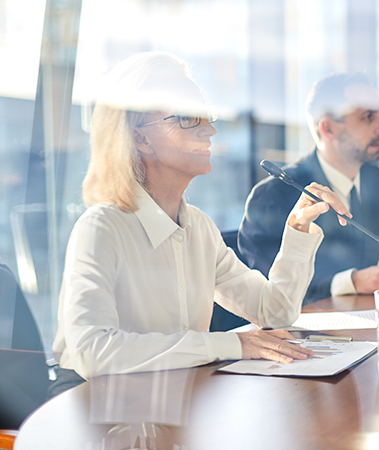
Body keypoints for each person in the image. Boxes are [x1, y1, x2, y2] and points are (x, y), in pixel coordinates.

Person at [51, 52, 351, 395]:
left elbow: (275, 312)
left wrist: (297, 228)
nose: (210, 129)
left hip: (170, 398)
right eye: (188, 119)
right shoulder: (101, 228)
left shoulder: (199, 228)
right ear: (140, 138)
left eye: (207, 116)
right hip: (90, 408)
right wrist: (227, 345)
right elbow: (92, 352)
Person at [238, 72, 379, 304]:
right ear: (328, 129)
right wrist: (349, 282)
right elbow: (268, 289)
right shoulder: (274, 195)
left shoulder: (372, 178)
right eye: (368, 117)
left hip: (363, 323)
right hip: (303, 334)